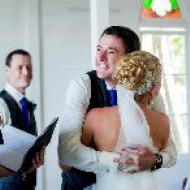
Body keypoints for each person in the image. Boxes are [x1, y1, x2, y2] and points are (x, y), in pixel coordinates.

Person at [58, 26, 177, 190]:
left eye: (111, 51)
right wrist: (119, 161)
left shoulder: (149, 92)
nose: (100, 57)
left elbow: (170, 149)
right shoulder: (83, 85)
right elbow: (67, 154)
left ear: (130, 59)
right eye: (99, 49)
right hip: (81, 185)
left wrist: (156, 160)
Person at [82, 51, 169, 189]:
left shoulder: (95, 117)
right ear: (153, 89)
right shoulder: (162, 122)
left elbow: (70, 162)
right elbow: (166, 157)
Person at [0, 49, 44, 189]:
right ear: (7, 70)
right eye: (20, 67)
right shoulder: (1, 104)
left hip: (28, 183)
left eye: (29, 67)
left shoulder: (26, 105)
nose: (26, 72)